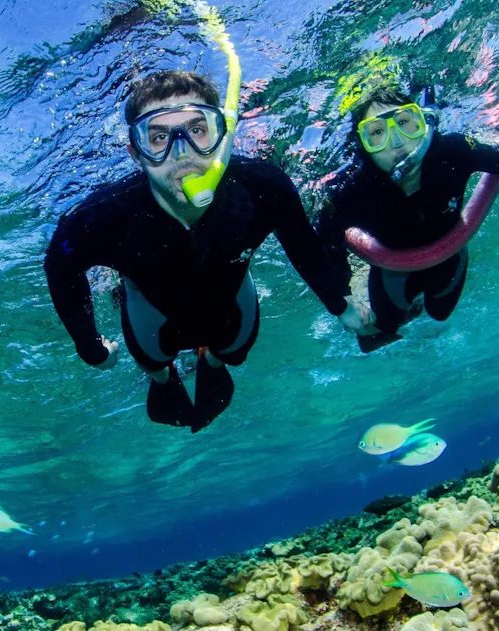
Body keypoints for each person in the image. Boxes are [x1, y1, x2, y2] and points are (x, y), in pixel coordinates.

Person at [43, 70, 371, 433]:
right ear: (136, 154)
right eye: (159, 137)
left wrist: (338, 304)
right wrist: (90, 347)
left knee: (234, 353)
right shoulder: (100, 218)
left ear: (222, 136)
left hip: (229, 301)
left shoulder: (263, 189)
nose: (182, 153)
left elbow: (302, 245)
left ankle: (211, 360)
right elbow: (60, 267)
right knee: (155, 363)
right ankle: (165, 379)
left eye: (197, 130)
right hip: (149, 310)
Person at [316, 86, 499, 353]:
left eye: (404, 122)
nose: (397, 141)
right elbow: (326, 242)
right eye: (377, 132)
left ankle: (416, 307)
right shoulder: (352, 189)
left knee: (440, 312)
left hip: (449, 256)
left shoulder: (452, 151)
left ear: (421, 122)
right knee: (382, 332)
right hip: (392, 268)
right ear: (363, 144)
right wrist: (343, 299)